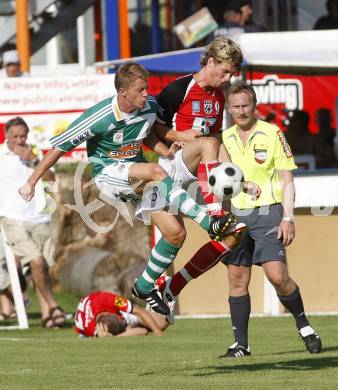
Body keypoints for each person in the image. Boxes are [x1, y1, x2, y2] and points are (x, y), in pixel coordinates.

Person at [18, 63, 235, 317]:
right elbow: (59, 148)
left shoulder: (149, 108)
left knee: (176, 233)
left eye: (147, 88)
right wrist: (32, 181)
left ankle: (143, 286)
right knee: (156, 173)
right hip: (108, 176)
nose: (146, 94)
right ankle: (209, 221)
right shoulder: (100, 116)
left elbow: (147, 135)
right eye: (140, 90)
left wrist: (167, 150)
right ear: (123, 92)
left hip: (135, 175)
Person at [153, 37, 261, 324]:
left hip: (199, 171)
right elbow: (151, 126)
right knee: (206, 146)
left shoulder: (218, 95)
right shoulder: (180, 87)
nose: (227, 79)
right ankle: (213, 215)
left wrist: (241, 178)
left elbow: (216, 140)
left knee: (233, 234)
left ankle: (171, 287)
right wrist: (179, 136)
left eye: (231, 75)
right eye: (224, 72)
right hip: (171, 167)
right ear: (210, 62)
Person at [217, 80, 321, 357]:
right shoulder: (223, 138)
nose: (241, 111)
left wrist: (288, 217)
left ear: (254, 106)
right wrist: (220, 214)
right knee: (237, 279)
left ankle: (304, 324)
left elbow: (287, 178)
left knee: (277, 276)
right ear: (229, 108)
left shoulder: (272, 133)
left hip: (268, 211)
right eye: (235, 106)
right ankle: (241, 345)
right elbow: (223, 182)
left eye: (245, 105)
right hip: (236, 215)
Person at [0, 117, 66, 328]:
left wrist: (35, 161)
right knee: (36, 261)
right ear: (7, 137)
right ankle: (53, 304)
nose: (20, 141)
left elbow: (51, 180)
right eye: (15, 137)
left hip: (40, 217)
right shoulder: (1, 156)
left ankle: (48, 316)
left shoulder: (36, 153)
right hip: (12, 220)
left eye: (23, 136)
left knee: (42, 269)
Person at [75, 291, 168, 337]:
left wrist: (157, 332)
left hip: (101, 303)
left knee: (162, 323)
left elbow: (139, 310)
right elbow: (143, 332)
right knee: (142, 330)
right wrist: (115, 337)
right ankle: (134, 325)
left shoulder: (109, 299)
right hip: (93, 325)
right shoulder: (92, 327)